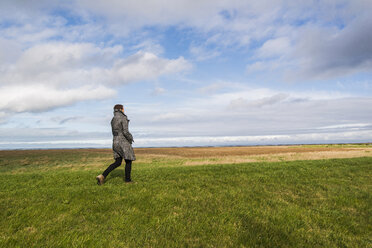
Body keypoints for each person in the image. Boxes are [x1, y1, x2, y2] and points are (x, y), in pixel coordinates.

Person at [96, 104, 136, 185]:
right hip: (123, 142)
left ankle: (102, 176)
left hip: (115, 142)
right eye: (123, 108)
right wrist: (131, 138)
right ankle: (128, 181)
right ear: (121, 109)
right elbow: (125, 131)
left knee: (118, 162)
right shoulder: (123, 117)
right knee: (128, 161)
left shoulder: (113, 119)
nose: (124, 110)